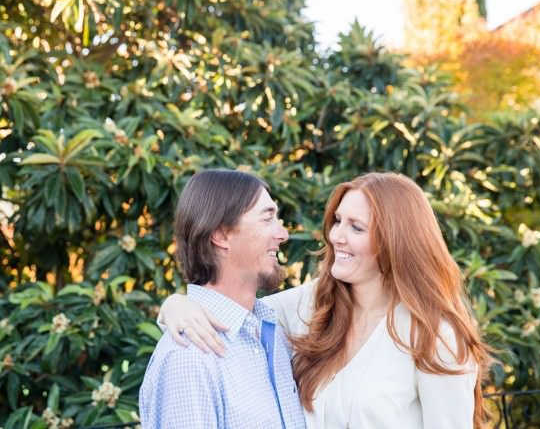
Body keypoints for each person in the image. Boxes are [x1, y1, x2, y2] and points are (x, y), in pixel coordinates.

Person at [159, 172, 494, 428]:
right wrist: (176, 305)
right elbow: (235, 312)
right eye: (337, 221)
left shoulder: (434, 333)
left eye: (356, 227)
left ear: (395, 241)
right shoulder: (313, 305)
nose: (336, 236)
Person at [139, 169, 306, 428]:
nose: (283, 234)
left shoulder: (272, 336)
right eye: (267, 219)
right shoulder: (190, 357)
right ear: (221, 235)